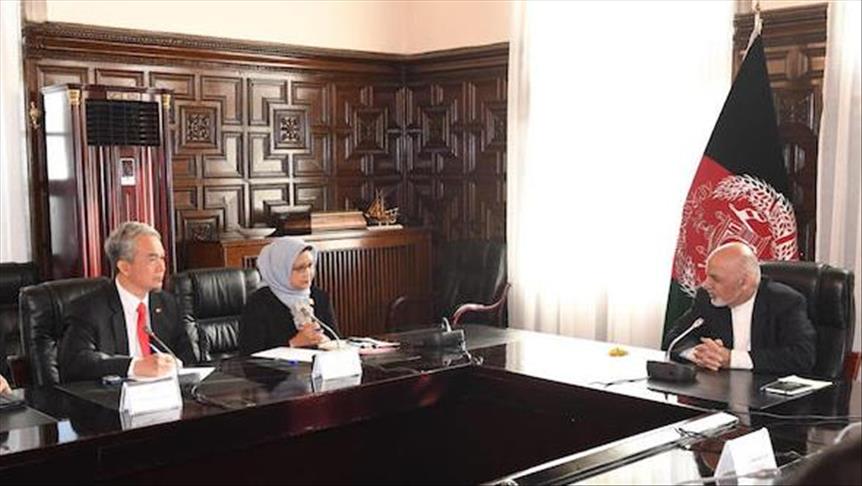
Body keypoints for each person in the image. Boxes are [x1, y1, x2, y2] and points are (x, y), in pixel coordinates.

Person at [59, 222, 195, 382]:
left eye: (162, 258)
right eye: (152, 259)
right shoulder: (89, 308)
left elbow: (188, 359)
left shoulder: (168, 305)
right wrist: (133, 366)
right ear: (125, 267)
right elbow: (75, 363)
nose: (162, 267)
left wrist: (176, 365)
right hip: (115, 395)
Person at [664, 241, 816, 375]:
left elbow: (803, 356)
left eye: (715, 278)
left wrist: (732, 359)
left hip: (765, 392)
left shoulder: (785, 301)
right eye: (707, 276)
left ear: (744, 282)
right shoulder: (706, 298)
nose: (705, 284)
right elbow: (674, 339)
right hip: (719, 389)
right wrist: (700, 355)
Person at [239, 236, 338, 355]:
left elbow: (337, 340)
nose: (308, 273)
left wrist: (326, 342)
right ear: (280, 270)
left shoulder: (319, 297)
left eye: (310, 265)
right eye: (299, 268)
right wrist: (293, 343)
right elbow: (249, 355)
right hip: (277, 367)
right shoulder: (258, 303)